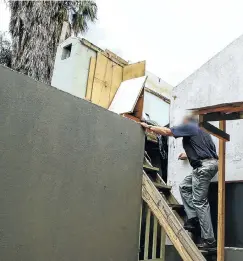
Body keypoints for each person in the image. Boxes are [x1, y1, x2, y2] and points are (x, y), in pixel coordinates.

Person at [140, 115, 218, 249]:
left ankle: (209, 240)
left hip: (203, 167)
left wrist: (149, 127)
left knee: (200, 201)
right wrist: (187, 155)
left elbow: (167, 132)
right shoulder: (204, 133)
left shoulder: (190, 127)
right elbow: (206, 153)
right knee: (184, 186)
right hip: (209, 165)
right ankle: (193, 218)